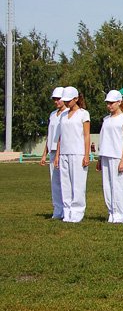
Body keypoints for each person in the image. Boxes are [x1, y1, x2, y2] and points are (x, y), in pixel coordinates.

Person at [54, 86, 90, 223]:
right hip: (64, 153)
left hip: (78, 153)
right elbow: (60, 137)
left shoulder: (83, 114)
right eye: (65, 100)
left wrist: (86, 155)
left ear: (76, 99)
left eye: (69, 100)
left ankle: (77, 211)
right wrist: (57, 155)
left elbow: (86, 136)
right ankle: (67, 211)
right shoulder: (63, 115)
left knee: (78, 184)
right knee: (65, 184)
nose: (67, 103)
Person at [96, 90, 123, 223]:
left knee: (118, 186)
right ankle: (111, 212)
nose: (109, 105)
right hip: (105, 155)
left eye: (111, 103)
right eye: (107, 103)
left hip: (117, 156)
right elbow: (103, 138)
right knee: (107, 186)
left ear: (119, 102)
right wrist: (99, 158)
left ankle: (120, 215)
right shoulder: (106, 119)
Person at [40, 87, 67, 219]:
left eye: (58, 99)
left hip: (63, 151)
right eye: (54, 99)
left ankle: (67, 210)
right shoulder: (52, 114)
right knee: (54, 182)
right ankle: (57, 210)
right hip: (52, 150)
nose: (56, 101)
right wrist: (44, 153)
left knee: (65, 181)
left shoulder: (67, 113)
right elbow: (50, 135)